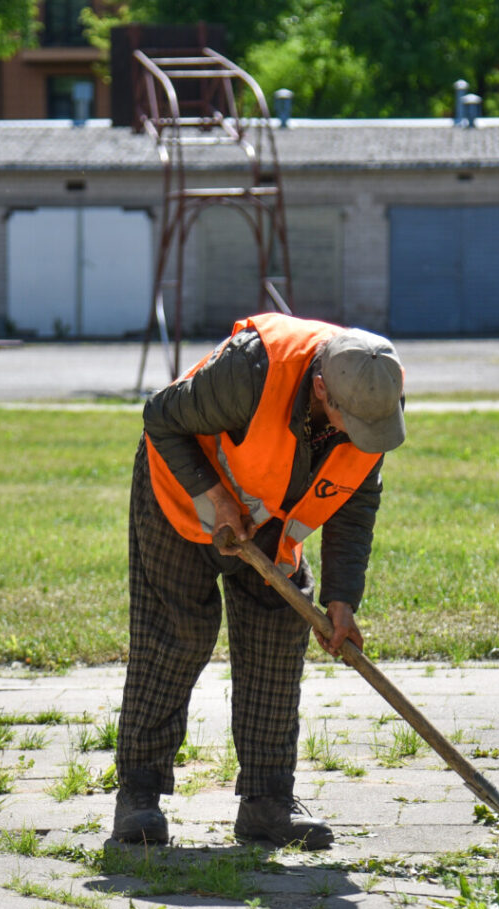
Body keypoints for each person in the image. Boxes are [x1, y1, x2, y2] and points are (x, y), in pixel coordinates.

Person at [113, 312, 406, 850]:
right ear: (321, 388)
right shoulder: (252, 368)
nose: (358, 436)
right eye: (348, 422)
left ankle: (267, 805)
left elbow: (355, 497)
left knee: (277, 640)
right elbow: (160, 416)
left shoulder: (374, 396)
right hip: (181, 500)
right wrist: (217, 498)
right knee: (174, 640)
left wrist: (343, 600)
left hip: (269, 527)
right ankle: (139, 797)